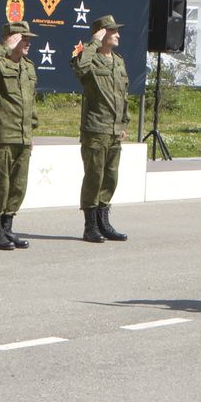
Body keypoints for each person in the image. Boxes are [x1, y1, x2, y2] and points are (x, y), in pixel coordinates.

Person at [0, 20, 39, 250]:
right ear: (11, 38)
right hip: (1, 135)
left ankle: (7, 229)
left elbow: (30, 102)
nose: (28, 43)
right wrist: (3, 47)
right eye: (23, 38)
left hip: (22, 137)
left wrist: (30, 132)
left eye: (28, 39)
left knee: (17, 186)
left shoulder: (28, 66)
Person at [73, 15, 130, 242]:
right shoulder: (89, 59)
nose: (118, 34)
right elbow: (79, 68)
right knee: (94, 176)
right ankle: (90, 226)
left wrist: (123, 122)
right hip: (96, 128)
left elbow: (122, 95)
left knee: (110, 178)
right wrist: (93, 43)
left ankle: (103, 221)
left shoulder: (118, 61)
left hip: (114, 129)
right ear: (101, 33)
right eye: (112, 31)